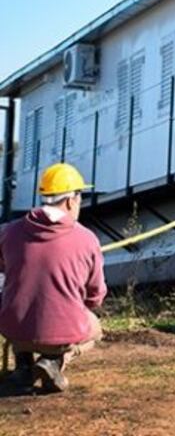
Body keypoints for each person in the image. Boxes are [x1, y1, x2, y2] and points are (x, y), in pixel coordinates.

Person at [0, 163, 106, 394]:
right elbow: (96, 296)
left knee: (18, 301)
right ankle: (53, 361)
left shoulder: (8, 232)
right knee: (95, 328)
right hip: (61, 333)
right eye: (80, 197)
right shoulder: (87, 239)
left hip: (14, 328)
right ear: (70, 201)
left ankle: (23, 366)